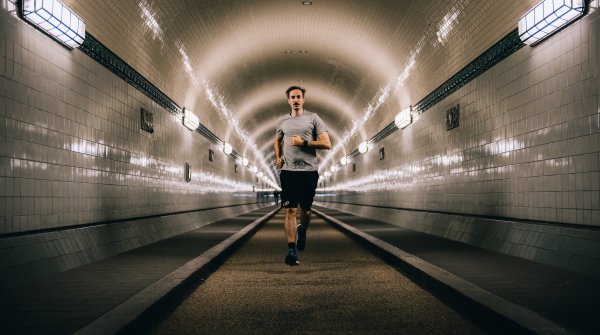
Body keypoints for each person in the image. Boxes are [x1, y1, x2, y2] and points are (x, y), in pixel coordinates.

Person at [274, 86, 331, 266]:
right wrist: (278, 157)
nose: (296, 99)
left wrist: (303, 142)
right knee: (290, 210)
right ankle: (291, 250)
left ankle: (303, 230)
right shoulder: (282, 121)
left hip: (309, 172)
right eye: (293, 97)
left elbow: (327, 144)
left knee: (305, 210)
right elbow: (277, 139)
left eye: (299, 96)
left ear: (303, 100)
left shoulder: (313, 118)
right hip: (289, 172)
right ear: (288, 100)